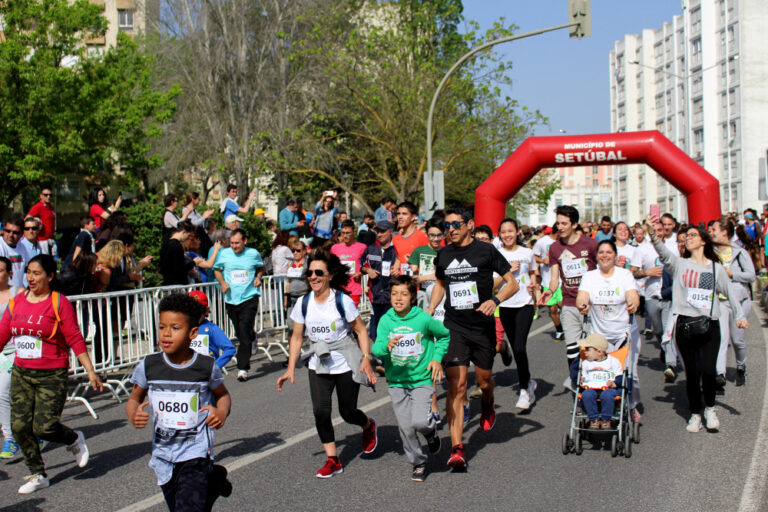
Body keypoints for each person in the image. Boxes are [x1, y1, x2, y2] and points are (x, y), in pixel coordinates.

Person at [0, 254, 103, 494]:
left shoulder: (58, 302)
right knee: (19, 426)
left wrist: (90, 370)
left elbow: (75, 338)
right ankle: (38, 473)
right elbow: (3, 335)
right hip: (22, 372)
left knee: (44, 427)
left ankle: (74, 439)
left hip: (51, 374)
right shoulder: (16, 303)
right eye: (28, 273)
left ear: (50, 276)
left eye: (37, 273)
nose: (31, 278)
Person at [425, 206, 517, 472]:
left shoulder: (486, 251)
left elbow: (512, 283)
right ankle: (457, 449)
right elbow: (441, 284)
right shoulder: (443, 254)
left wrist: (495, 300)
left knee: (485, 380)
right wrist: (431, 310)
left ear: (469, 225)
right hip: (454, 326)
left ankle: (488, 402)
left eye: (455, 225)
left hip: (482, 328)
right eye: (446, 226)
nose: (450, 230)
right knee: (458, 386)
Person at [277, 249, 378, 479]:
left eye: (318, 272)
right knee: (320, 412)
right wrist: (291, 367)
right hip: (318, 362)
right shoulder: (303, 303)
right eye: (310, 272)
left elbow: (361, 331)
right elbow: (296, 337)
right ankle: (333, 459)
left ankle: (368, 425)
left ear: (330, 275)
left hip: (343, 360)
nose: (313, 276)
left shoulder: (341, 300)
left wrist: (366, 359)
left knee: (347, 411)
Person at [126, 293, 232, 511]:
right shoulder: (149, 365)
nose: (166, 333)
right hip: (164, 454)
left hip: (195, 452)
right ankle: (214, 481)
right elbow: (134, 398)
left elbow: (223, 395)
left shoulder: (205, 366)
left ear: (192, 333)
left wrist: (221, 412)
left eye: (175, 328)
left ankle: (209, 477)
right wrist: (133, 413)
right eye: (162, 327)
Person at [644, 215, 748, 433]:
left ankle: (710, 408)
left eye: (692, 235)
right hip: (685, 326)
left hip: (710, 326)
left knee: (709, 372)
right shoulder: (680, 265)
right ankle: (695, 413)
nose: (687, 239)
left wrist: (740, 316)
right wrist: (652, 233)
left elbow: (730, 293)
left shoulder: (715, 269)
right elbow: (663, 253)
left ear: (703, 241)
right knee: (693, 373)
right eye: (685, 237)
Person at [371, 275, 448, 482]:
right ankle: (418, 462)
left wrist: (437, 359)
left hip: (421, 378)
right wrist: (385, 348)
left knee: (421, 422)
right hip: (397, 382)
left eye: (404, 294)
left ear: (413, 297)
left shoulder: (423, 319)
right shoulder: (386, 320)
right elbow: (376, 348)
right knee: (405, 427)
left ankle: (430, 433)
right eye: (394, 294)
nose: (398, 298)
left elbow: (443, 335)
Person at [575, 240, 642, 420]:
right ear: (596, 256)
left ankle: (632, 405)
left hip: (624, 333)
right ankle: (600, 407)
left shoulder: (624, 274)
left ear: (615, 255)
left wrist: (632, 302)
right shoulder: (590, 276)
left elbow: (632, 294)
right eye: (601, 252)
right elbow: (582, 295)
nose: (605, 255)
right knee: (600, 371)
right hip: (600, 337)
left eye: (608, 252)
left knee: (630, 374)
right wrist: (582, 304)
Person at [538, 205, 598, 385]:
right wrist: (549, 291)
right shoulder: (555, 248)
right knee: (572, 347)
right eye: (558, 223)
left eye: (564, 223)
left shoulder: (591, 245)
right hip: (569, 304)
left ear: (574, 224)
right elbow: (554, 277)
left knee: (592, 348)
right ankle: (576, 382)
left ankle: (593, 383)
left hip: (591, 305)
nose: (560, 227)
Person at [494, 219, 539, 410]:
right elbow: (493, 286)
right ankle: (528, 381)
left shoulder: (527, 253)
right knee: (516, 346)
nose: (507, 235)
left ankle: (524, 390)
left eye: (510, 231)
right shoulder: (496, 255)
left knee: (519, 347)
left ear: (517, 231)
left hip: (525, 303)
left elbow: (533, 273)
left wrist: (534, 287)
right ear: (500, 235)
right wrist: (507, 272)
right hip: (505, 304)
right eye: (503, 232)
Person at [213, 228, 265, 382]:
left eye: (237, 243)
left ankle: (243, 368)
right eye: (232, 243)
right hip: (231, 299)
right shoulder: (224, 254)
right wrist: (222, 283)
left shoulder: (253, 253)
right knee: (240, 331)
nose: (234, 246)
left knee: (243, 330)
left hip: (249, 297)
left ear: (245, 241)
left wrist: (258, 277)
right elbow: (217, 270)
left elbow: (261, 267)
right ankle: (251, 336)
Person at [708, 217, 755, 387]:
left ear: (724, 232)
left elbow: (751, 275)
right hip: (719, 302)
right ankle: (720, 374)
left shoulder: (739, 252)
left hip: (739, 301)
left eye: (714, 230)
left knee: (737, 340)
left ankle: (741, 366)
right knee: (721, 338)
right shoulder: (710, 252)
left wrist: (732, 274)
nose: (711, 233)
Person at [634, 220, 678, 381]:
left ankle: (670, 365)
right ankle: (664, 349)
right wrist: (647, 272)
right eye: (656, 230)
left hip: (669, 297)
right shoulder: (642, 249)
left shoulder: (673, 247)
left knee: (669, 332)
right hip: (651, 295)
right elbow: (633, 272)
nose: (659, 233)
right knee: (658, 331)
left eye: (661, 230)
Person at [570, 333, 623, 429]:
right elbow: (585, 376)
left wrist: (614, 383)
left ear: (599, 351)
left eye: (587, 350)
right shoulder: (586, 363)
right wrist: (582, 379)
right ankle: (593, 419)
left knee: (607, 395)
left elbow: (620, 377)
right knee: (586, 394)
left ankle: (606, 419)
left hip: (608, 388)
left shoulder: (613, 362)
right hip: (592, 388)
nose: (584, 352)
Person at [361, 220, 400, 338]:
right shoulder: (371, 249)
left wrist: (398, 271)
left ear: (391, 232)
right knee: (375, 334)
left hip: (394, 298)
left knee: (393, 333)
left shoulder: (397, 249)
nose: (379, 234)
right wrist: (368, 270)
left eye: (383, 231)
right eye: (378, 231)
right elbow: (360, 264)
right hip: (376, 297)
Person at [0, 257, 20, 459]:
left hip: (17, 351)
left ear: (9, 273)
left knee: (3, 391)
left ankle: (10, 438)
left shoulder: (19, 294)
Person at [188, 291, 236, 370]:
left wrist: (214, 367)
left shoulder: (211, 329)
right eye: (189, 311)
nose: (193, 315)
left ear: (206, 311)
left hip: (206, 376)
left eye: (197, 312)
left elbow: (230, 349)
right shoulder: (182, 329)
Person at [331, 220, 367, 307]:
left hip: (354, 290)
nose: (345, 236)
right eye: (343, 233)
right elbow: (331, 266)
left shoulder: (362, 247)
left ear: (354, 232)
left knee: (353, 319)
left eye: (348, 233)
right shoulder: (335, 248)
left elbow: (368, 267)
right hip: (339, 289)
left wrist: (360, 273)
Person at [393, 201, 429, 275]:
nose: (400, 217)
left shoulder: (423, 237)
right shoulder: (395, 239)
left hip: (419, 283)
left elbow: (431, 263)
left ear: (413, 217)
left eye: (404, 214)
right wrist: (396, 267)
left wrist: (414, 263)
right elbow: (399, 257)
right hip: (403, 283)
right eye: (398, 214)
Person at [160, 221, 196, 286]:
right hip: (177, 284)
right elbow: (180, 269)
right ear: (184, 232)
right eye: (188, 235)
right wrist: (194, 262)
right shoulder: (177, 246)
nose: (187, 238)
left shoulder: (165, 244)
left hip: (167, 283)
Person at [285, 240, 309, 330]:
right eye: (293, 251)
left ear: (304, 251)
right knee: (291, 324)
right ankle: (292, 343)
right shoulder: (290, 264)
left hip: (303, 296)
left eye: (298, 250)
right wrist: (286, 298)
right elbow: (288, 281)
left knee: (304, 324)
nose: (295, 253)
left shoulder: (308, 264)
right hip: (292, 297)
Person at [0, 216, 29, 288]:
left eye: (15, 233)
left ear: (22, 234)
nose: (10, 235)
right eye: (7, 231)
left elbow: (26, 270)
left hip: (17, 294)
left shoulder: (22, 247)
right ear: (3, 230)